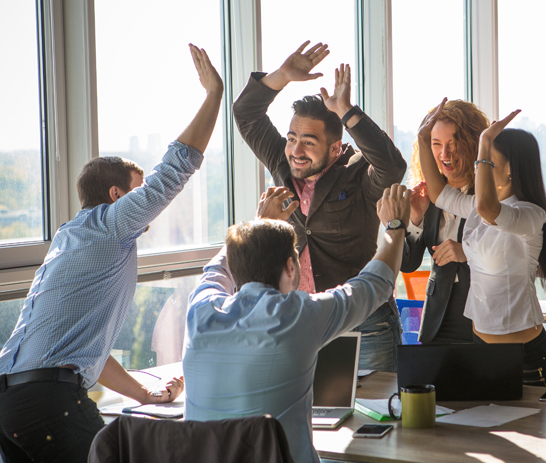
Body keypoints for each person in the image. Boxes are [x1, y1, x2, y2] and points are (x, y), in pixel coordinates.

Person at [0, 44, 224, 463]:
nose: (146, 200)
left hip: (0, 402)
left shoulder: (68, 238)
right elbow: (175, 170)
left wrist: (144, 393)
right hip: (46, 402)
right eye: (137, 187)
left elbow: (81, 356)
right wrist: (213, 95)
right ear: (116, 196)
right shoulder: (111, 223)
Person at [182, 184, 411, 463]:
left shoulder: (201, 309)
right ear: (291, 267)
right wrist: (395, 225)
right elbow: (374, 284)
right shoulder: (296, 315)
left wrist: (258, 227)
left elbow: (216, 268)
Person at [232, 41, 407, 372]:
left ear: (334, 147)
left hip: (364, 320)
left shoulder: (356, 172)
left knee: (381, 412)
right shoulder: (284, 164)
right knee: (316, 413)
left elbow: (391, 166)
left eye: (309, 142)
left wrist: (347, 112)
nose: (296, 149)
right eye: (292, 138)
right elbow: (246, 113)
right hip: (303, 317)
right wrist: (282, 75)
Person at [417, 98, 546, 387]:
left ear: (511, 169)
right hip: (482, 352)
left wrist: (485, 140)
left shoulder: (528, 215)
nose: (479, 170)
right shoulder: (477, 207)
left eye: (487, 163)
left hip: (526, 360)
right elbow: (438, 194)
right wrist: (423, 140)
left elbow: (490, 210)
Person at [401, 100, 489, 344]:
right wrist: (414, 219)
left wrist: (467, 252)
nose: (444, 154)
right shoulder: (426, 195)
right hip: (437, 319)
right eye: (436, 144)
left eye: (453, 144)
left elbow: (509, 252)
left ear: (473, 145)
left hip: (484, 315)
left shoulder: (489, 196)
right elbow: (407, 265)